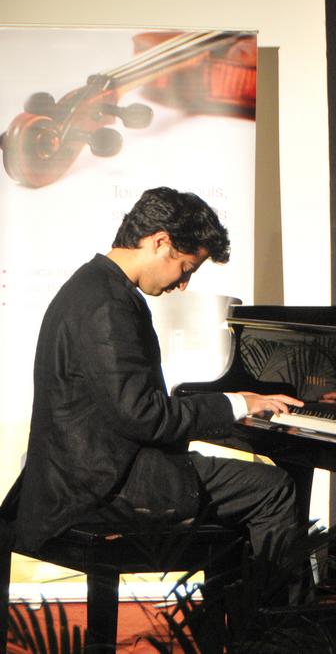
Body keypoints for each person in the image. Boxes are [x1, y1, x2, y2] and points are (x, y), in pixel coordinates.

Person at [5, 186, 306, 599]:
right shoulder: (107, 302)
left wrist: (231, 406)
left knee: (242, 490)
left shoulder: (90, 286)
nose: (183, 284)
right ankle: (285, 627)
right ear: (161, 242)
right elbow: (142, 416)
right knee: (272, 488)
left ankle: (229, 622)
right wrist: (236, 404)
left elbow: (127, 407)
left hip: (79, 474)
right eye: (186, 267)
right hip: (103, 485)